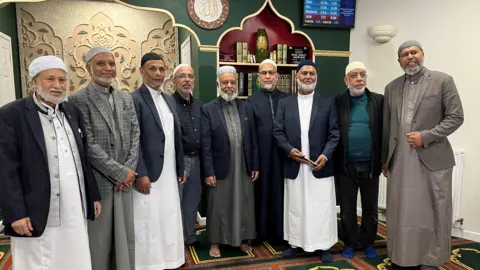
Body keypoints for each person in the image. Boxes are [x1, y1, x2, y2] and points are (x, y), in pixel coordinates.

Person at [0, 55, 101, 269]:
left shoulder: (71, 111)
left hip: (74, 207)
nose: (57, 86)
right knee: (39, 261)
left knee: (74, 257)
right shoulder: (12, 114)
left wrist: (92, 196)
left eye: (62, 80)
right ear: (34, 82)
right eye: (50, 79)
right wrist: (16, 213)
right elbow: (6, 168)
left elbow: (83, 158)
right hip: (36, 210)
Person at [382, 40, 464, 269]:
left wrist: (426, 136)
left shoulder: (442, 81)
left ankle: (431, 259)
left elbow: (456, 117)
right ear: (399, 61)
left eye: (413, 52)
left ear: (422, 54)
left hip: (432, 159)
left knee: (432, 211)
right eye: (404, 54)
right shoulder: (392, 87)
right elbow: (387, 127)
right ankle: (401, 257)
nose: (410, 57)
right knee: (401, 212)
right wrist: (384, 159)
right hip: (400, 160)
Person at [70, 46, 140, 270]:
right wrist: (120, 173)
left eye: (111, 63)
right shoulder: (79, 99)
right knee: (100, 241)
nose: (108, 68)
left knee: (125, 237)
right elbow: (87, 145)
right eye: (101, 64)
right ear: (88, 68)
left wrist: (128, 171)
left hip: (125, 184)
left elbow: (135, 134)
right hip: (101, 183)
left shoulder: (125, 98)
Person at [273, 59, 339, 263]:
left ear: (316, 77)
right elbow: (278, 131)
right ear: (297, 77)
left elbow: (334, 133)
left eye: (312, 73)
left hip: (320, 165)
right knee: (296, 206)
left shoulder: (328, 102)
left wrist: (325, 155)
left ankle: (324, 244)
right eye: (304, 73)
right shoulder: (285, 103)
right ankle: (294, 243)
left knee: (321, 207)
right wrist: (289, 150)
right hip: (295, 165)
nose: (308, 77)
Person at [131, 52, 186, 269]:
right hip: (149, 174)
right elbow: (133, 141)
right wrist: (140, 172)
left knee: (169, 216)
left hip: (170, 171)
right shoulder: (134, 99)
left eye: (161, 69)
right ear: (142, 71)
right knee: (148, 220)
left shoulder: (169, 99)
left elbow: (175, 136)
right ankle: (150, 263)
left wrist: (180, 166)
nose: (157, 73)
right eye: (152, 69)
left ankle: (172, 259)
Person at [201, 65, 259, 258]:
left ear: (237, 84)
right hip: (220, 167)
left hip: (243, 165)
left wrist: (255, 165)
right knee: (218, 205)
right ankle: (215, 242)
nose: (229, 86)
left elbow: (253, 139)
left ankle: (242, 240)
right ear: (218, 84)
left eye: (232, 82)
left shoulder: (246, 106)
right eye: (225, 82)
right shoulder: (208, 109)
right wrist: (208, 171)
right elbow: (206, 145)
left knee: (244, 202)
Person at [334, 61, 383, 259]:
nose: (359, 79)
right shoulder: (338, 102)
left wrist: (385, 159)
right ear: (346, 80)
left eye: (362, 74)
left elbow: (386, 132)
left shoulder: (379, 101)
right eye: (354, 75)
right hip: (346, 165)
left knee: (370, 208)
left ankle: (369, 242)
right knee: (347, 209)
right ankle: (351, 243)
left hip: (371, 164)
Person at [247, 59, 288, 244]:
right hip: (261, 156)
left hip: (283, 156)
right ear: (258, 77)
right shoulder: (250, 101)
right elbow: (250, 135)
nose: (268, 76)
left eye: (271, 72)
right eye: (264, 73)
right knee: (261, 194)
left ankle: (281, 233)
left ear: (277, 76)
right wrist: (254, 162)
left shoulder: (287, 99)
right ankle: (261, 233)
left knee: (282, 194)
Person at [171, 63, 203, 247]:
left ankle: (189, 236)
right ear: (174, 80)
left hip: (197, 160)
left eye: (190, 76)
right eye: (182, 76)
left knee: (192, 201)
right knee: (176, 202)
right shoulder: (169, 103)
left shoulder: (200, 104)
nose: (187, 80)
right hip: (179, 161)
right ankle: (175, 240)